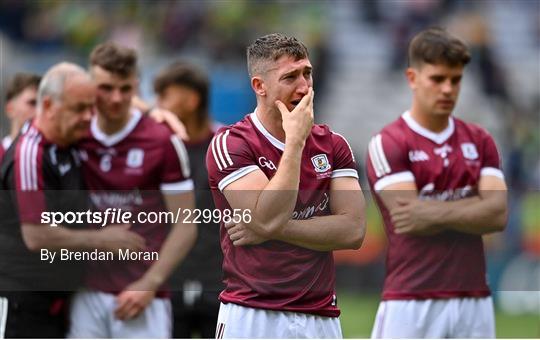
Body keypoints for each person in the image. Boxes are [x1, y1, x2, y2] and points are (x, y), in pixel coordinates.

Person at [206, 33, 366, 338]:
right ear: (259, 86)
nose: (304, 87)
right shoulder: (231, 143)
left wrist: (271, 227)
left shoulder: (334, 145)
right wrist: (294, 144)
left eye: (307, 73)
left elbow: (353, 231)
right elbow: (266, 216)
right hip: (252, 314)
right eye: (290, 77)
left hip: (321, 316)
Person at [366, 27, 508, 338]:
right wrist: (473, 207)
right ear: (413, 78)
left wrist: (430, 209)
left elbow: (497, 214)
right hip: (411, 300)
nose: (448, 89)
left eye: (455, 80)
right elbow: (409, 218)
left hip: (474, 299)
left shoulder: (480, 139)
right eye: (437, 79)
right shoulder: (389, 142)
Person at [0, 63, 145, 338]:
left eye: (90, 108)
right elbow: (36, 236)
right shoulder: (30, 153)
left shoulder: (68, 141)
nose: (88, 117)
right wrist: (103, 240)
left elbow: (120, 106)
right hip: (21, 301)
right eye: (79, 109)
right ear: (49, 105)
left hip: (58, 303)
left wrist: (154, 112)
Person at [68, 42, 197, 338]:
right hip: (83, 293)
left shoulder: (162, 140)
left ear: (136, 86)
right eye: (106, 88)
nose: (116, 98)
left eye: (125, 89)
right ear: (91, 86)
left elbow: (186, 224)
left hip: (142, 295)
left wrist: (151, 283)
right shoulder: (74, 133)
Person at [154, 61, 223, 338]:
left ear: (191, 100)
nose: (157, 106)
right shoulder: (157, 148)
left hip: (220, 283)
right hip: (170, 282)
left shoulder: (227, 147)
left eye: (164, 97)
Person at [0, 72, 41, 161]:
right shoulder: (1, 154)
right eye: (32, 103)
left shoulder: (51, 154)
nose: (39, 110)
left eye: (42, 105)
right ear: (10, 109)